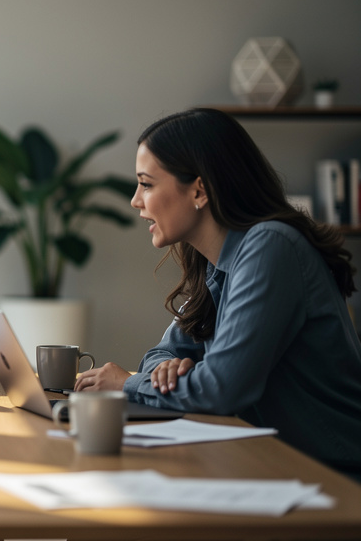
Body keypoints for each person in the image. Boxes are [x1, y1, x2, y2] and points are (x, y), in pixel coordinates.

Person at [74, 108, 361, 480]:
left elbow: (221, 391)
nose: (135, 201)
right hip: (269, 464)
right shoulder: (216, 262)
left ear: (198, 189)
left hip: (334, 478)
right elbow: (161, 354)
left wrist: (126, 383)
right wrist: (167, 370)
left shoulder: (269, 248)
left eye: (146, 184)